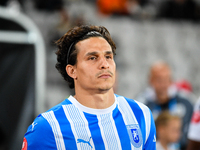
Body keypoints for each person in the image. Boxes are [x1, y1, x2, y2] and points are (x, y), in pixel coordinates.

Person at [22, 25, 156, 149]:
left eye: (108, 56)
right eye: (93, 58)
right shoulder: (48, 127)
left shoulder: (141, 114)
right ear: (72, 71)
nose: (105, 64)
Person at [136, 61, 193, 150]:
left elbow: (192, 133)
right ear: (150, 80)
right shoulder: (141, 105)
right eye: (159, 79)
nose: (163, 84)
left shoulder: (185, 102)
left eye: (167, 79)